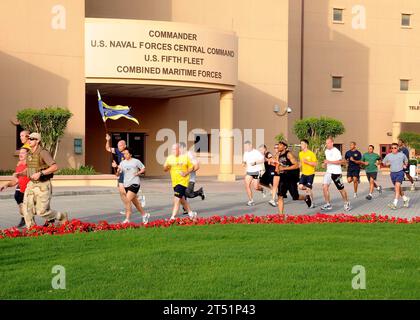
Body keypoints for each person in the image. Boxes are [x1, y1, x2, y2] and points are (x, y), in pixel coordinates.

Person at [21, 132, 68, 228]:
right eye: (28, 138)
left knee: (42, 212)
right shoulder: (29, 153)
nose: (29, 140)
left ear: (38, 141)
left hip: (43, 185)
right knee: (26, 209)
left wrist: (41, 173)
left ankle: (61, 216)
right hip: (31, 184)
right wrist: (20, 173)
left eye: (32, 139)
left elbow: (55, 167)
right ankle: (32, 230)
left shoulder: (43, 152)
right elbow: (30, 169)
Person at [164, 143, 197, 220]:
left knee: (176, 199)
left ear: (179, 149)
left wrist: (186, 173)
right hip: (174, 182)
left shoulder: (185, 158)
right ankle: (191, 214)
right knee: (182, 199)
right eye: (172, 149)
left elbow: (191, 167)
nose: (173, 151)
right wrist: (166, 167)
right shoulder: (169, 158)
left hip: (182, 182)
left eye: (175, 149)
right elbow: (165, 169)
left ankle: (173, 217)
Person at [275, 141, 311, 215]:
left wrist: (284, 169)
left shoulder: (288, 154)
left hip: (291, 178)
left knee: (295, 197)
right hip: (283, 178)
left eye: (280, 145)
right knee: (280, 196)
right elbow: (278, 165)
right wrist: (277, 169)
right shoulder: (278, 155)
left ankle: (306, 197)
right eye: (278, 145)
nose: (278, 146)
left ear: (285, 147)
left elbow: (296, 165)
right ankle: (281, 215)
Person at [116, 147, 150, 224]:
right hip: (126, 184)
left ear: (130, 154)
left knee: (127, 201)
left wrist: (138, 173)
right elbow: (117, 174)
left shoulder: (136, 161)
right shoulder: (122, 163)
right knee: (136, 203)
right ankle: (144, 215)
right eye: (124, 153)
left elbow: (143, 168)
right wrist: (117, 170)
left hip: (135, 183)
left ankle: (127, 219)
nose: (125, 155)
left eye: (126, 153)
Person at [0, 147, 31, 228]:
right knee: (20, 201)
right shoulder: (19, 165)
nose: (20, 154)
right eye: (20, 153)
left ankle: (50, 219)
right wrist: (5, 185)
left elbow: (30, 173)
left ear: (28, 155)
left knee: (36, 209)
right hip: (21, 189)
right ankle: (24, 219)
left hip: (30, 190)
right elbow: (15, 181)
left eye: (23, 153)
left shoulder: (31, 164)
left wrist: (20, 173)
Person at [321, 137, 351, 212]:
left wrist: (329, 162)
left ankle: (346, 203)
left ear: (332, 143)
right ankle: (328, 204)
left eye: (328, 143)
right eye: (326, 143)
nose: (326, 144)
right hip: (329, 172)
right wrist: (324, 164)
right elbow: (327, 161)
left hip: (336, 173)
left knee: (341, 190)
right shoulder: (326, 151)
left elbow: (340, 162)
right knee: (324, 187)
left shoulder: (336, 151)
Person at [105, 134, 128, 215]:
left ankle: (138, 198)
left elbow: (126, 166)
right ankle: (128, 207)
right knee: (122, 193)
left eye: (120, 145)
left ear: (125, 146)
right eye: (118, 145)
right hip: (121, 174)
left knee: (125, 192)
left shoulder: (126, 153)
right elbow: (108, 148)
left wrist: (117, 166)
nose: (119, 147)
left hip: (127, 175)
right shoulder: (118, 151)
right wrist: (108, 140)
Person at [382, 143, 410, 209]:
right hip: (392, 174)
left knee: (397, 187)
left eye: (395, 148)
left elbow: (406, 161)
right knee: (398, 188)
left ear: (397, 148)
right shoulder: (388, 155)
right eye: (392, 148)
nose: (393, 149)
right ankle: (405, 199)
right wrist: (387, 164)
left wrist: (405, 165)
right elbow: (383, 163)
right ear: (391, 149)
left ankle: (394, 203)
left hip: (400, 172)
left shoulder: (402, 155)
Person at [242, 141, 266, 206]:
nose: (245, 148)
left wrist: (255, 163)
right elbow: (244, 161)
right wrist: (243, 164)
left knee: (256, 187)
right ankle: (251, 200)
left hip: (256, 171)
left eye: (246, 146)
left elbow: (263, 160)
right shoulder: (245, 153)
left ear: (250, 145)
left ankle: (262, 189)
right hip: (249, 172)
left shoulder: (256, 152)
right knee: (247, 186)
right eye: (245, 147)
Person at [298, 139, 317, 208]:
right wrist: (297, 166)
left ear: (306, 144)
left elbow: (315, 164)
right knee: (300, 187)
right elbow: (300, 163)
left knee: (308, 190)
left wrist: (307, 162)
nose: (301, 145)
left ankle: (312, 203)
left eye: (302, 144)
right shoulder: (300, 153)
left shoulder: (311, 153)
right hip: (304, 174)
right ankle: (308, 187)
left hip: (310, 174)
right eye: (300, 144)